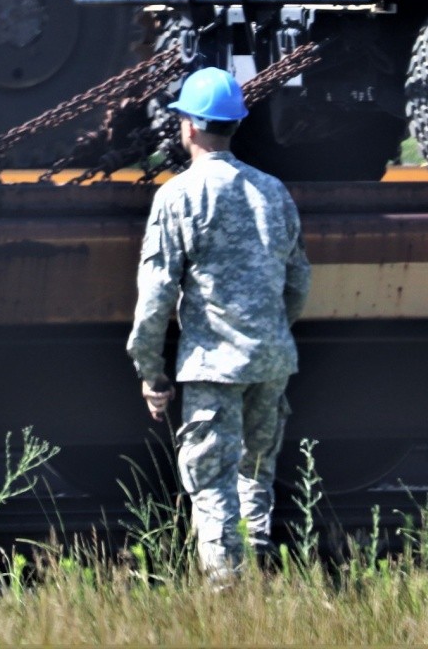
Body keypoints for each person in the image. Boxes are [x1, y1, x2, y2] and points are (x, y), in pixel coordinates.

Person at [127, 66, 309, 580]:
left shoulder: (177, 197)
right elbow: (298, 280)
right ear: (235, 125)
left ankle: (226, 592)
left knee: (211, 482)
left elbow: (156, 294)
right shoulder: (273, 191)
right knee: (256, 474)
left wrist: (151, 371)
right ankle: (258, 573)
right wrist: (273, 332)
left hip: (212, 365)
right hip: (270, 359)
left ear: (188, 126)